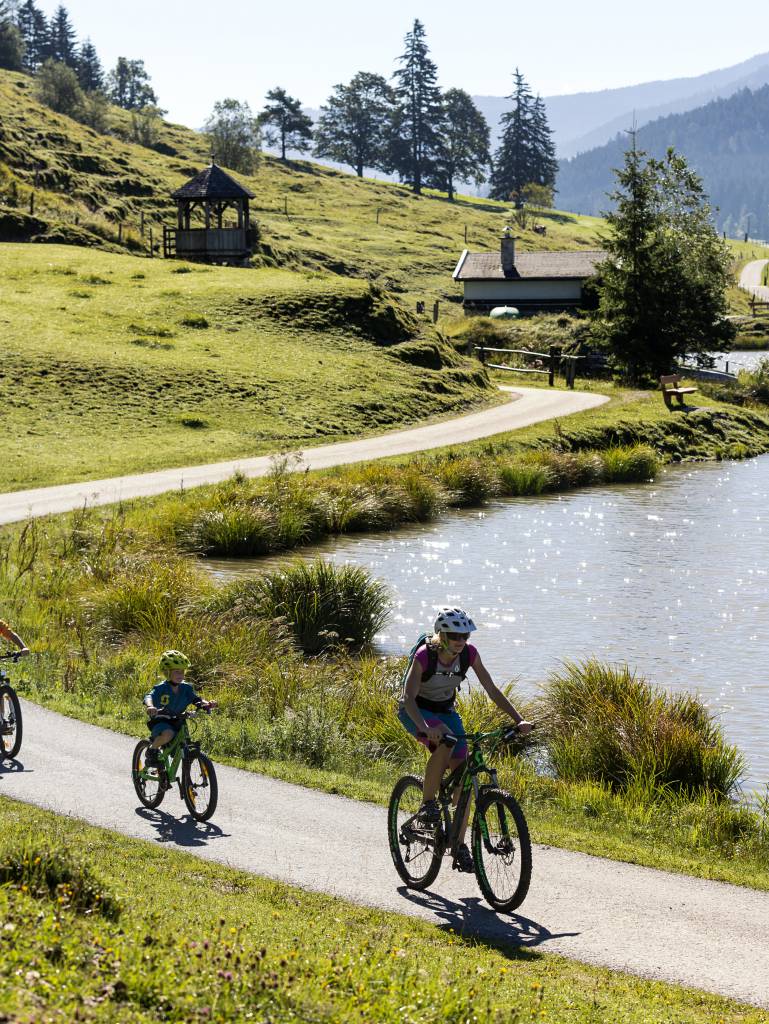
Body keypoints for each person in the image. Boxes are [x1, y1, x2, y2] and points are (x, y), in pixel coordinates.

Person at [398, 607, 532, 872]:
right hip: (415, 711)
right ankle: (427, 806)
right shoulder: (426, 656)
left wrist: (519, 720)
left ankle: (459, 846)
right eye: (455, 635)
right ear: (442, 635)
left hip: (446, 711)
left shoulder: (469, 654)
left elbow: (491, 688)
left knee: (465, 773)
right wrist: (425, 727)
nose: (461, 640)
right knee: (445, 741)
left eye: (465, 635)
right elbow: (408, 697)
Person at [143, 650, 215, 765]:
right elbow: (148, 696)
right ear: (167, 672)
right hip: (162, 720)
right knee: (168, 734)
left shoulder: (186, 688)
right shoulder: (161, 688)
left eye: (182, 672)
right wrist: (150, 706)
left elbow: (196, 699)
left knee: (185, 745)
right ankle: (152, 750)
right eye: (176, 672)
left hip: (179, 720)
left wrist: (206, 704)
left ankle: (186, 780)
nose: (180, 675)